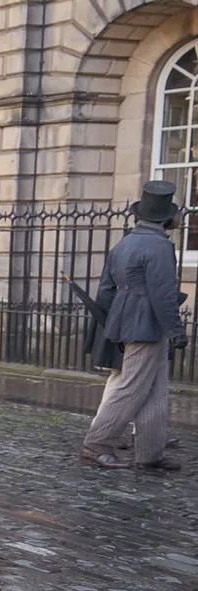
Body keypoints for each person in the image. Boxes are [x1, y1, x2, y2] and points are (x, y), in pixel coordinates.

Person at [80, 180, 189, 471]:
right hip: (147, 326)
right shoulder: (161, 247)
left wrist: (108, 325)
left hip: (125, 321)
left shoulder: (123, 244)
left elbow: (105, 291)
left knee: (155, 388)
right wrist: (177, 331)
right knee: (130, 388)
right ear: (166, 218)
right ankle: (96, 444)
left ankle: (150, 453)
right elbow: (163, 295)